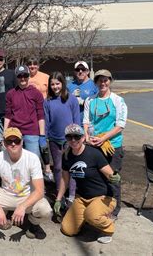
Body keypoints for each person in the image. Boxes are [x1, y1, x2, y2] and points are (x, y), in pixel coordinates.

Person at [0, 127, 52, 239]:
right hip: (6, 194)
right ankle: (4, 214)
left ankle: (33, 223)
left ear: (22, 142)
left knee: (46, 210)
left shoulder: (32, 158)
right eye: (9, 141)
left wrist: (22, 207)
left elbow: (39, 191)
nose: (13, 144)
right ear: (4, 143)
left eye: (17, 141)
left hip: (26, 196)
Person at [54, 124, 121, 244]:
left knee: (92, 215)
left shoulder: (94, 154)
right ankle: (87, 217)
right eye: (70, 137)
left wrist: (114, 177)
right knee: (67, 230)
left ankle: (108, 228)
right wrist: (58, 199)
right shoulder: (66, 155)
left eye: (77, 137)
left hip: (103, 197)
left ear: (83, 137)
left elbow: (110, 174)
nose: (73, 140)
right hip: (82, 198)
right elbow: (65, 180)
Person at [83, 69, 127, 218]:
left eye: (106, 80)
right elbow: (86, 122)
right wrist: (88, 137)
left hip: (112, 146)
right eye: (100, 80)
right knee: (98, 178)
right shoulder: (90, 100)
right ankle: (99, 207)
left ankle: (114, 209)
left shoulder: (117, 101)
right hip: (95, 145)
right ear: (95, 82)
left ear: (110, 81)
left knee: (112, 178)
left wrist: (104, 138)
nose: (103, 83)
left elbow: (120, 125)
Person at [44, 71, 80, 201]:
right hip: (54, 140)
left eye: (57, 83)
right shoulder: (48, 101)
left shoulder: (71, 99)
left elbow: (76, 120)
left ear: (63, 83)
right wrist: (44, 137)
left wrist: (77, 138)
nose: (55, 87)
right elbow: (46, 122)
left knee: (71, 167)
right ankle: (60, 193)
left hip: (70, 140)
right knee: (58, 168)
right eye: (52, 84)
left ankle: (71, 194)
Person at [4, 65, 45, 159]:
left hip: (32, 132)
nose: (22, 78)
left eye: (25, 75)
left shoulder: (36, 93)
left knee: (33, 160)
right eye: (19, 76)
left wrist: (42, 135)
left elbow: (41, 115)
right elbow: (8, 115)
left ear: (29, 76)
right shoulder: (11, 94)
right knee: (15, 160)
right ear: (16, 77)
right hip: (15, 132)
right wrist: (5, 132)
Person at [27, 57, 51, 179]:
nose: (32, 66)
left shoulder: (45, 77)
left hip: (43, 112)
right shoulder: (25, 77)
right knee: (34, 140)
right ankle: (36, 167)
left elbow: (52, 92)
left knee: (43, 140)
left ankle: (47, 167)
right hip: (30, 114)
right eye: (30, 64)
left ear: (38, 65)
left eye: (35, 64)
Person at [67, 61, 98, 125]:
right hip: (73, 123)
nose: (80, 71)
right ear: (75, 72)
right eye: (77, 70)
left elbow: (98, 104)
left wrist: (83, 102)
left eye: (83, 69)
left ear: (87, 71)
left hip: (90, 123)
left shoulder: (94, 85)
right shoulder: (69, 86)